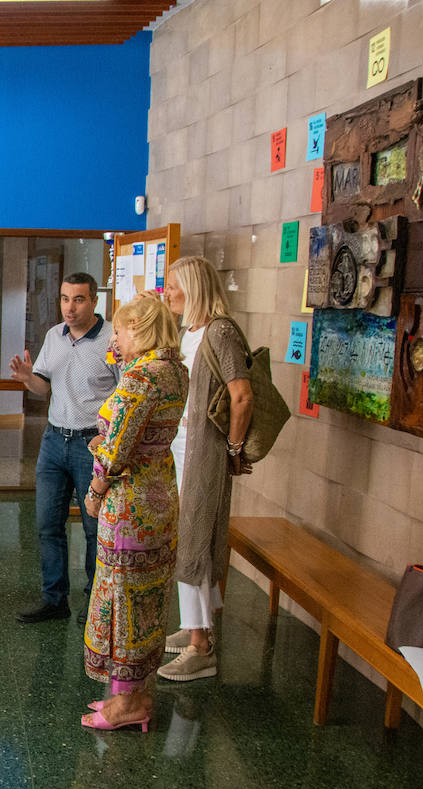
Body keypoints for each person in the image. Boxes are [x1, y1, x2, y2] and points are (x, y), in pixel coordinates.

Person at [80, 292, 188, 731]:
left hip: (130, 503)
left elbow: (117, 447)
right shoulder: (173, 371)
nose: (115, 338)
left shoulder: (142, 378)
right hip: (161, 495)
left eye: (122, 330)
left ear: (140, 332)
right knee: (149, 598)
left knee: (123, 597)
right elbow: (116, 357)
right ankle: (136, 694)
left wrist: (94, 488)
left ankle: (128, 705)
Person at [159, 256, 253, 683]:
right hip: (182, 447)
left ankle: (203, 647)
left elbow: (242, 396)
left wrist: (233, 447)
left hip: (205, 451)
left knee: (195, 539)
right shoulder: (189, 331)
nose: (168, 292)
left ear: (194, 287)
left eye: (173, 286)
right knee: (186, 537)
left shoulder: (221, 331)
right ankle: (193, 627)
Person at [9, 271, 120, 623]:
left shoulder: (113, 339)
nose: (69, 308)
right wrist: (29, 377)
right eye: (64, 299)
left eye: (79, 299)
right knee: (47, 523)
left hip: (93, 444)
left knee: (93, 528)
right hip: (55, 440)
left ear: (94, 301)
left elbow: (124, 395)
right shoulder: (54, 336)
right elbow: (44, 387)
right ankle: (55, 600)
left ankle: (94, 602)